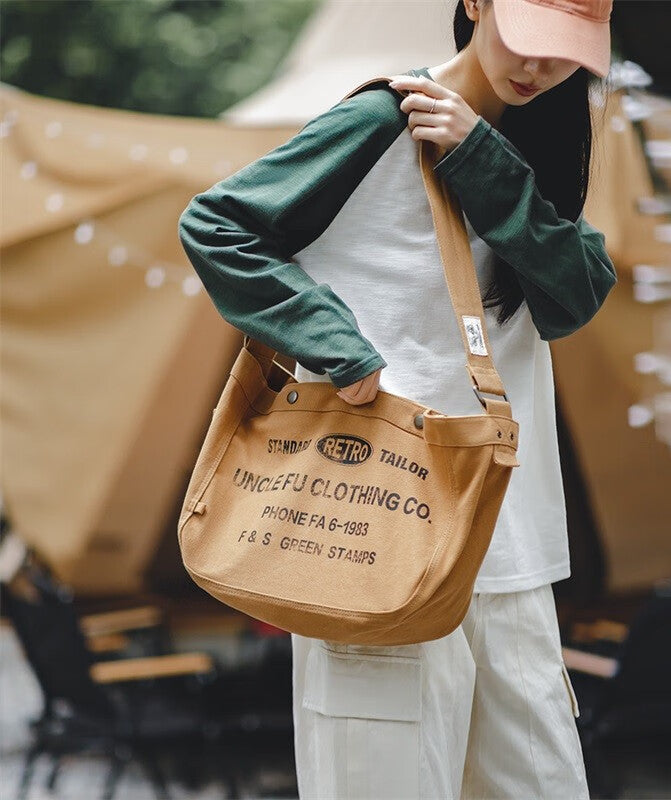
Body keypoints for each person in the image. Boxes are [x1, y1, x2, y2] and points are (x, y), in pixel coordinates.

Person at [178, 0, 616, 796]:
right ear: (475, 4)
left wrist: (482, 160)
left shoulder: (537, 142)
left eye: (564, 52)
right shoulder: (383, 116)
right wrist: (336, 345)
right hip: (374, 532)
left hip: (507, 546)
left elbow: (575, 297)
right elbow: (218, 225)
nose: (538, 67)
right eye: (526, 40)